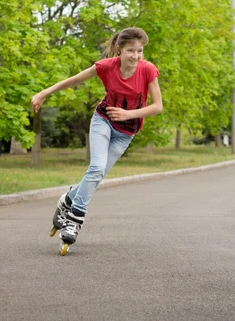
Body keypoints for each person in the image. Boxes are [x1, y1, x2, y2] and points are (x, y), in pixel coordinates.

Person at [30, 27, 162, 253]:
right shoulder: (106, 66)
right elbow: (73, 80)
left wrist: (128, 114)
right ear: (119, 50)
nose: (136, 56)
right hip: (103, 120)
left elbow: (158, 107)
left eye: (140, 51)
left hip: (127, 131)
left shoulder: (148, 70)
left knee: (97, 174)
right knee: (96, 167)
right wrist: (43, 93)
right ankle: (74, 220)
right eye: (131, 51)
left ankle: (67, 200)